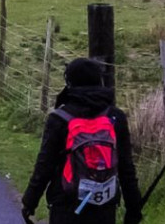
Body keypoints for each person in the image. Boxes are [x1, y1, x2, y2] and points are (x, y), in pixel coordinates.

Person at [23, 58, 143, 224]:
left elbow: (45, 165)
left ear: (70, 82)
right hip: (104, 208)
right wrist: (134, 207)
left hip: (66, 205)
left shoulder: (59, 118)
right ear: (99, 80)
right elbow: (126, 167)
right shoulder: (115, 117)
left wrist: (30, 201)